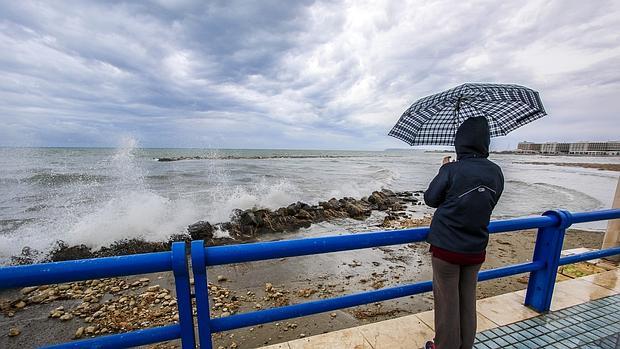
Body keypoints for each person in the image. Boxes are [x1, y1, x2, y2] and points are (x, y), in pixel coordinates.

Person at [423, 117, 504, 349]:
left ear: (461, 143)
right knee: (467, 301)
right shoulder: (496, 172)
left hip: (446, 248)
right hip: (476, 246)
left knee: (447, 302)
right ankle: (465, 345)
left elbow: (431, 199)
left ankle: (444, 346)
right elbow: (488, 201)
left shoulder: (452, 170)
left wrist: (444, 169)